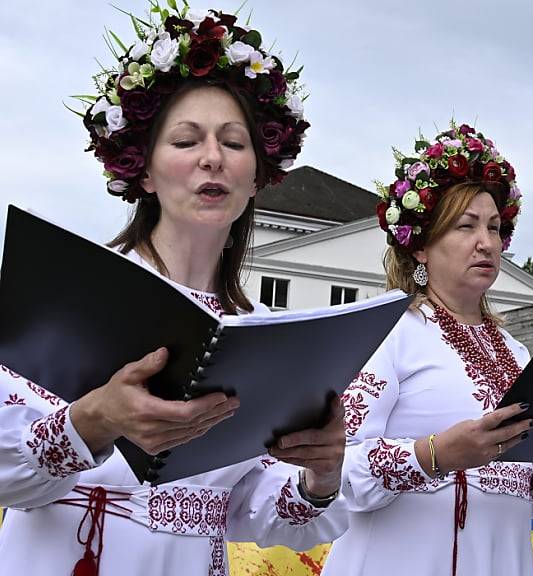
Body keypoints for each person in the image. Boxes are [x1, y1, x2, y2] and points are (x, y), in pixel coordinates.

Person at [0, 7, 348, 575]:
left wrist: (322, 474)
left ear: (257, 174)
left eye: (234, 143)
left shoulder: (262, 333)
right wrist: (93, 420)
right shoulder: (66, 292)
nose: (212, 157)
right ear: (142, 168)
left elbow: (258, 510)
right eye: (187, 140)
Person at [322, 122, 533, 576]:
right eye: (465, 227)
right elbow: (333, 467)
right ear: (422, 246)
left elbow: (521, 495)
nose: (487, 242)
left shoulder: (515, 352)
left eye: (494, 226)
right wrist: (436, 454)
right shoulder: (389, 334)